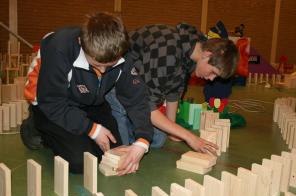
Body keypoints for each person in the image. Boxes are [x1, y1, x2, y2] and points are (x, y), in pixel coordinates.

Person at [20, 12, 153, 175]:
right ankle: (35, 126)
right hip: (52, 103)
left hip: (90, 101)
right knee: (80, 162)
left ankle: (78, 131)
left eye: (110, 65)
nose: (103, 71)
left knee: (113, 150)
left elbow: (136, 99)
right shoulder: (59, 48)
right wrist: (92, 129)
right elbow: (52, 102)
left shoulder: (121, 51)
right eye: (97, 64)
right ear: (81, 43)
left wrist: (142, 141)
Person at [106, 23, 239, 155]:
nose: (211, 79)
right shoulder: (167, 52)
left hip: (139, 84)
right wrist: (190, 137)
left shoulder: (192, 50)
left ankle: (129, 124)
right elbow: (146, 107)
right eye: (213, 73)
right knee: (120, 151)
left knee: (158, 140)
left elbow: (173, 92)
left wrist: (173, 130)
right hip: (116, 82)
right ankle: (107, 120)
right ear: (207, 55)